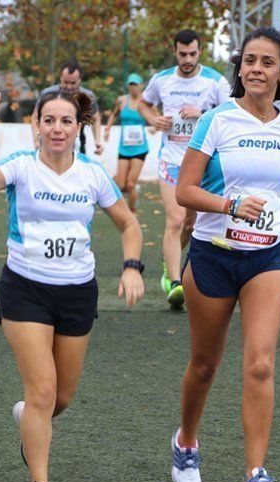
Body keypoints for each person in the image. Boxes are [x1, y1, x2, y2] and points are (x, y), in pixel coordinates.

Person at [0, 87, 144, 482]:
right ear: (35, 126)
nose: (57, 128)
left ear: (79, 127)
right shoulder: (20, 168)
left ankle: (29, 417)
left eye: (66, 121)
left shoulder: (93, 175)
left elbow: (128, 223)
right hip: (26, 289)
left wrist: (132, 265)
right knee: (42, 389)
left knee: (60, 396)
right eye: (49, 120)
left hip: (78, 292)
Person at [171, 25, 280, 482]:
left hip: (268, 257)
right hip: (213, 254)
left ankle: (255, 477)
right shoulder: (216, 119)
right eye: (249, 61)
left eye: (267, 62)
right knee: (205, 365)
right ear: (240, 68)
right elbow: (185, 191)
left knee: (260, 362)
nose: (256, 69)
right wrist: (231, 206)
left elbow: (275, 172)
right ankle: (186, 443)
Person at [138, 29, 230, 308]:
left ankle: (170, 264)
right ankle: (176, 282)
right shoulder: (162, 79)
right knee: (176, 220)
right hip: (170, 160)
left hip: (200, 163)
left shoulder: (215, 81)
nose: (187, 59)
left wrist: (202, 115)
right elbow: (144, 103)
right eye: (182, 54)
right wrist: (154, 119)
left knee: (191, 223)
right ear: (175, 51)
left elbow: (231, 114)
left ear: (200, 51)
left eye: (192, 54)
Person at [31, 60, 103, 156]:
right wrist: (36, 139)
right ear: (60, 77)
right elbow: (35, 117)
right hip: (49, 144)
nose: (69, 87)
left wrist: (97, 141)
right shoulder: (48, 94)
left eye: (73, 83)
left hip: (77, 145)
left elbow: (96, 119)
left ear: (80, 79)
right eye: (66, 82)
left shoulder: (87, 96)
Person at [104, 73, 149, 211]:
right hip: (124, 147)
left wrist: (155, 128)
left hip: (140, 148)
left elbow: (156, 116)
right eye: (131, 84)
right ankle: (133, 191)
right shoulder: (122, 100)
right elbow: (114, 115)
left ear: (141, 86)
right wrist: (107, 129)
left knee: (130, 184)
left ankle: (131, 214)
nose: (133, 87)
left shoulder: (147, 101)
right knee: (120, 185)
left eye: (135, 84)